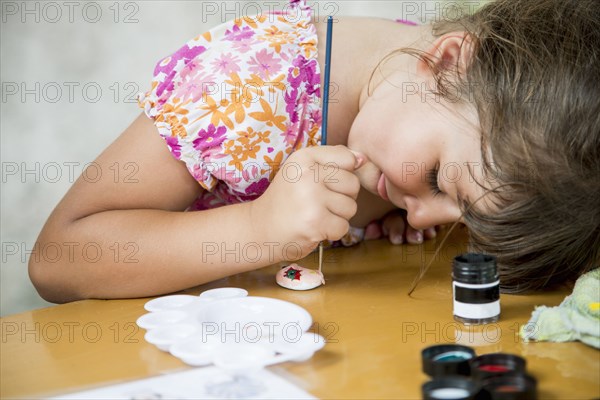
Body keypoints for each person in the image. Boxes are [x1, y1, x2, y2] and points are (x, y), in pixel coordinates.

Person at [29, 0, 599, 303]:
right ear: (447, 61)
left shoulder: (410, 96)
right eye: (433, 181)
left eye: (462, 213)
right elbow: (57, 263)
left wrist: (403, 216)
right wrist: (257, 227)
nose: (425, 213)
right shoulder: (243, 88)